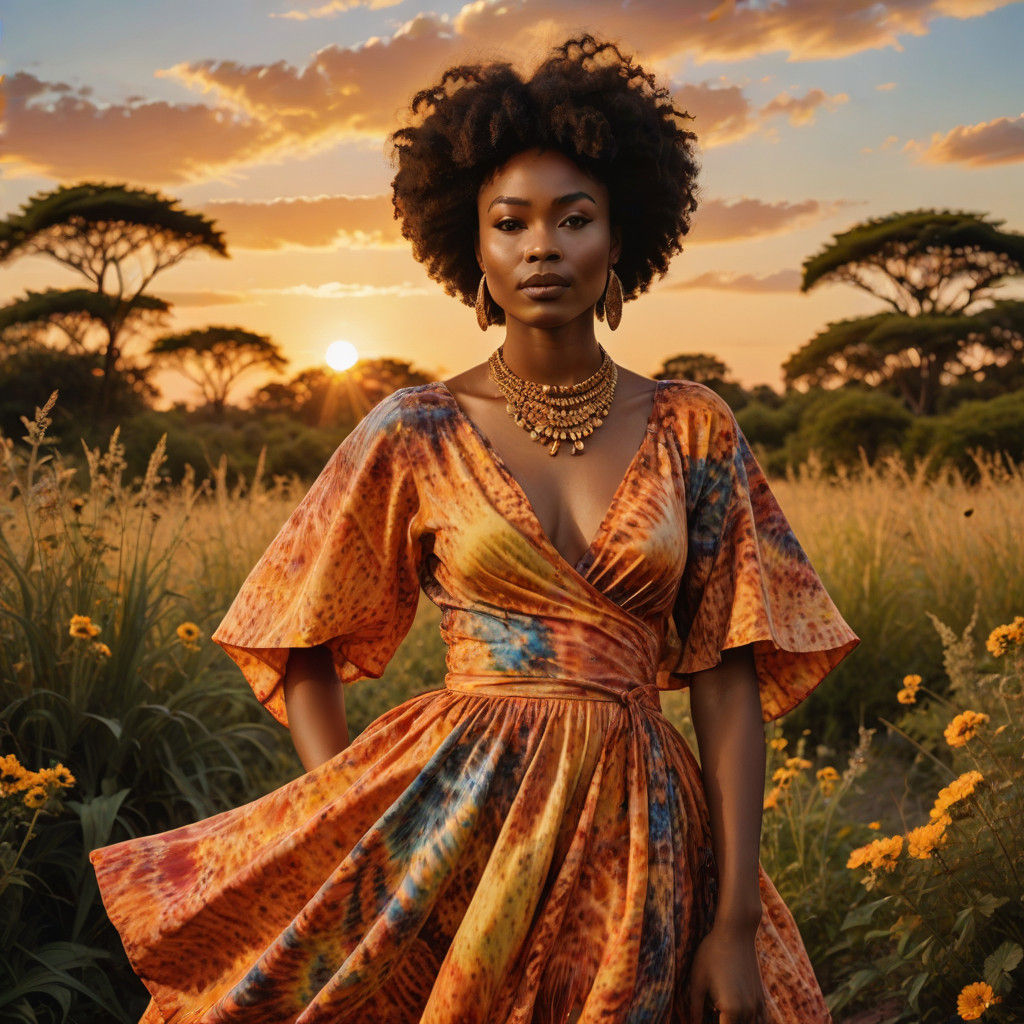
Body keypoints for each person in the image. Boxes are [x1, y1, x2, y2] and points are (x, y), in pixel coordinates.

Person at [90, 32, 859, 1024]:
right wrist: (362, 832)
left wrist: (736, 921)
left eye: (574, 218)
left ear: (619, 240)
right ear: (475, 249)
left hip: (644, 829)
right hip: (452, 828)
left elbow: (726, 675)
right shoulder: (413, 430)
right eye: (512, 223)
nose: (543, 245)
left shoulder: (691, 427)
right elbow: (296, 634)